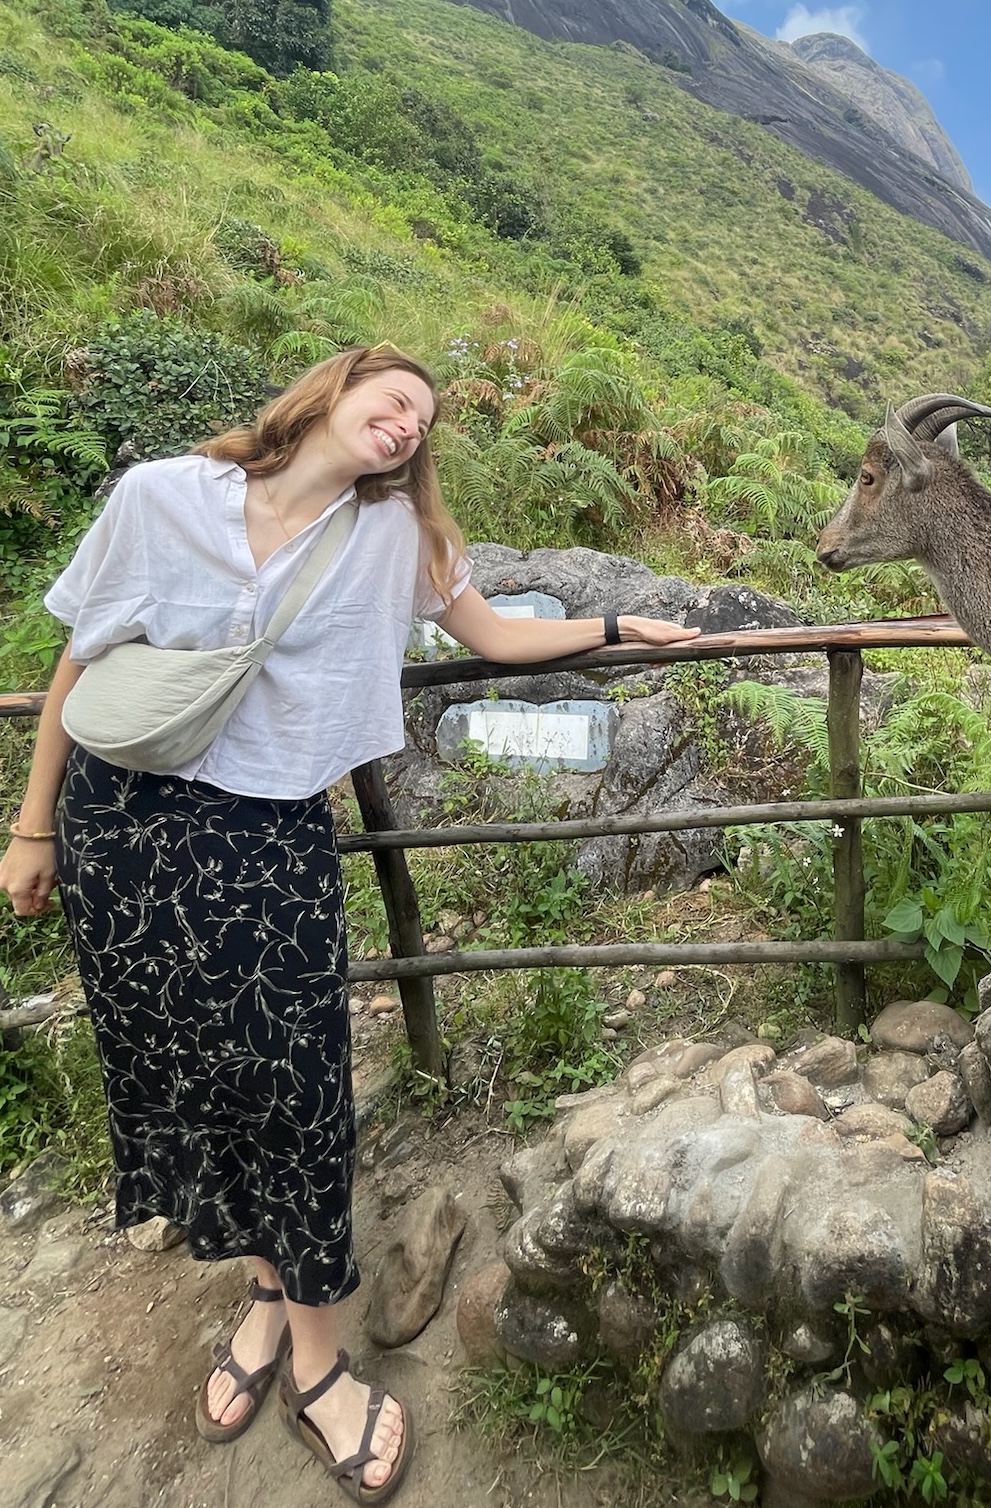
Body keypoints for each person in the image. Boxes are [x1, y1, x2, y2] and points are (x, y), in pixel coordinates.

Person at [0, 344, 700, 1502]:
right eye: (395, 397)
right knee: (189, 1072)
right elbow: (82, 652)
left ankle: (320, 1360)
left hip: (267, 834)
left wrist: (619, 625)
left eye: (423, 421)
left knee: (296, 1084)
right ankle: (266, 1296)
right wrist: (33, 829)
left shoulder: (397, 540)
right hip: (121, 825)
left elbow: (489, 634)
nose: (408, 423)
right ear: (329, 389)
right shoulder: (160, 494)